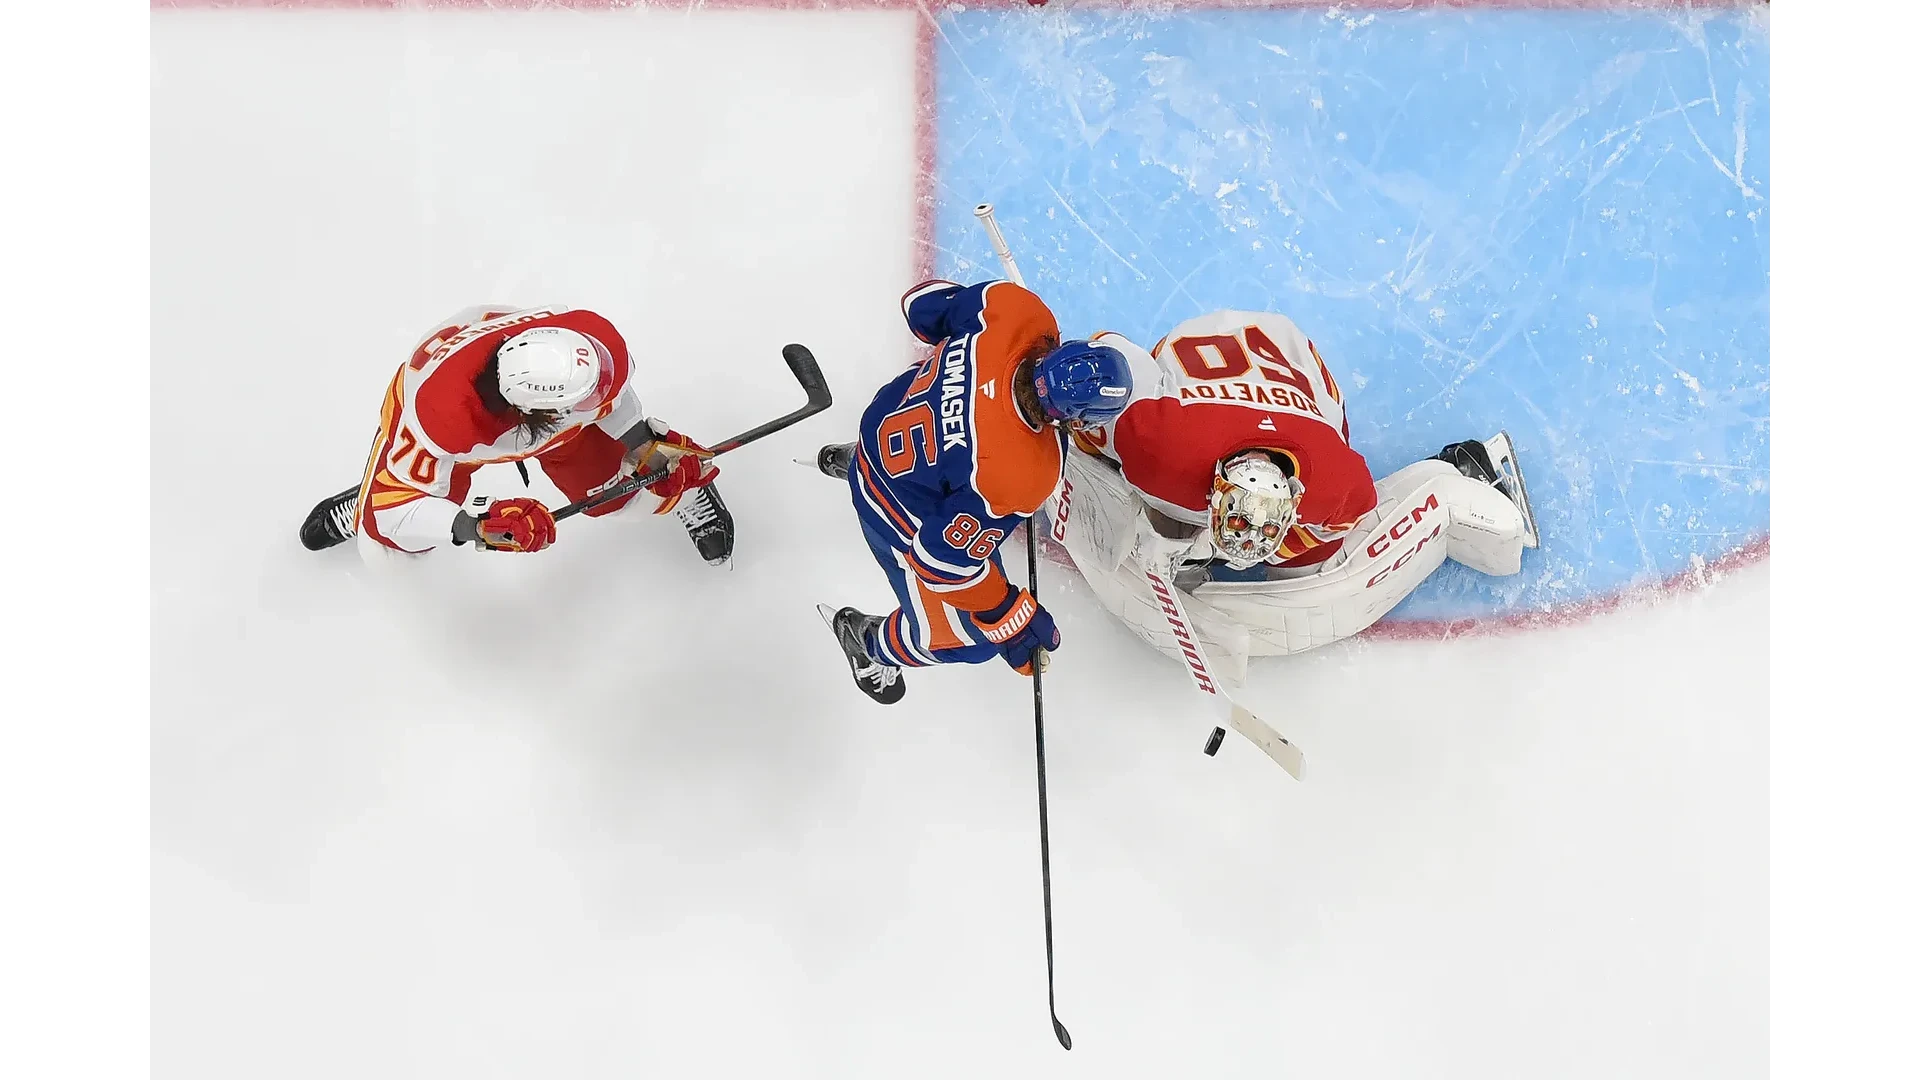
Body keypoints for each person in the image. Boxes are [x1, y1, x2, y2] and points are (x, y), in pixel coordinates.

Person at [1045, 308, 1539, 676]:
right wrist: (1063, 399)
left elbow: (1316, 534)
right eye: (1234, 522)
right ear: (1213, 490)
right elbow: (1112, 358)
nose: (1242, 545)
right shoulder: (1160, 448)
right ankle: (1193, 536)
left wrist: (1208, 544)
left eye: (1259, 531)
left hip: (1292, 364)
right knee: (1148, 498)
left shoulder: (1337, 490)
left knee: (1304, 571)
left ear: (1296, 501)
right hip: (1205, 368)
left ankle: (1457, 467)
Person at [810, 278, 1134, 704]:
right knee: (970, 640)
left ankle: (861, 459)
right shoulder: (1025, 475)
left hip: (885, 419)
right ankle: (867, 644)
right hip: (889, 498)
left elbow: (919, 308)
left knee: (945, 459)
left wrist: (971, 360)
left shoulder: (1013, 308)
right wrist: (1007, 616)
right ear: (1076, 419)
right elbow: (940, 563)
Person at [298, 303, 734, 565]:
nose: (607, 398)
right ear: (535, 411)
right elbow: (394, 514)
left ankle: (687, 494)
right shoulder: (437, 426)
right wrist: (477, 526)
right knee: (387, 546)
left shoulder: (577, 347)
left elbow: (607, 389)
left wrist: (643, 445)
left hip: (544, 421)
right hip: (450, 435)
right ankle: (372, 497)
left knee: (617, 495)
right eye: (588, 398)